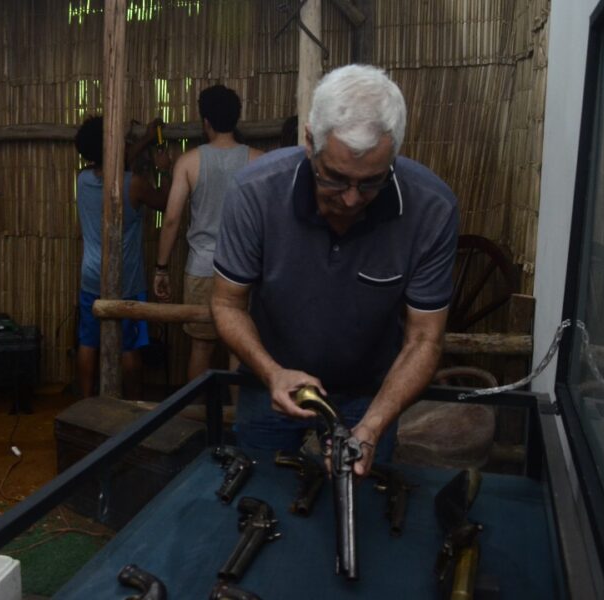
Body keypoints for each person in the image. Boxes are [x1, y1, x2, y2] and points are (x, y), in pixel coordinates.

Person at [210, 65, 459, 476]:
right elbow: (226, 303)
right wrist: (272, 372)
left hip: (373, 392)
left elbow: (424, 338)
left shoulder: (431, 209)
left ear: (394, 155)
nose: (350, 199)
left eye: (371, 183)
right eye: (335, 178)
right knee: (259, 489)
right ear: (310, 142)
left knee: (362, 506)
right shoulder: (254, 193)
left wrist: (374, 425)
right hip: (269, 383)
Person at [152, 85, 263, 381]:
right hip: (243, 269)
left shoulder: (189, 162)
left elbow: (172, 219)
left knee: (200, 347)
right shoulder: (258, 160)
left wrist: (161, 268)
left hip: (201, 267)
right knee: (239, 349)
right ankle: (238, 422)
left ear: (206, 122)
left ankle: (193, 421)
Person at [74, 116, 170, 399]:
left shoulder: (82, 180)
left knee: (88, 342)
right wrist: (164, 170)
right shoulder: (134, 184)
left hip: (91, 275)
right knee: (130, 347)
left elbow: (113, 162)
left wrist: (144, 140)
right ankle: (132, 407)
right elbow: (165, 203)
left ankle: (85, 404)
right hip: (127, 277)